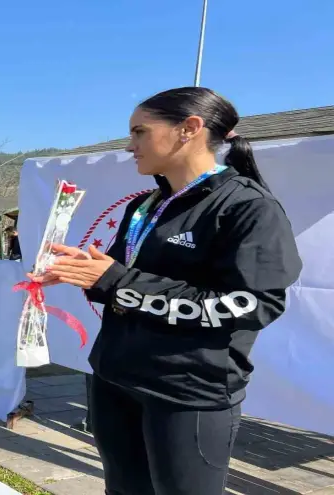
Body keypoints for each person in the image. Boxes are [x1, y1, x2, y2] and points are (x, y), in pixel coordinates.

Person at [34, 87, 302, 494]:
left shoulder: (247, 206)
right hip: (114, 377)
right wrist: (85, 272)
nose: (129, 146)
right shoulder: (143, 205)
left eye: (140, 132)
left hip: (186, 391)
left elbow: (250, 304)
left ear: (189, 129)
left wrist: (115, 280)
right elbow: (123, 283)